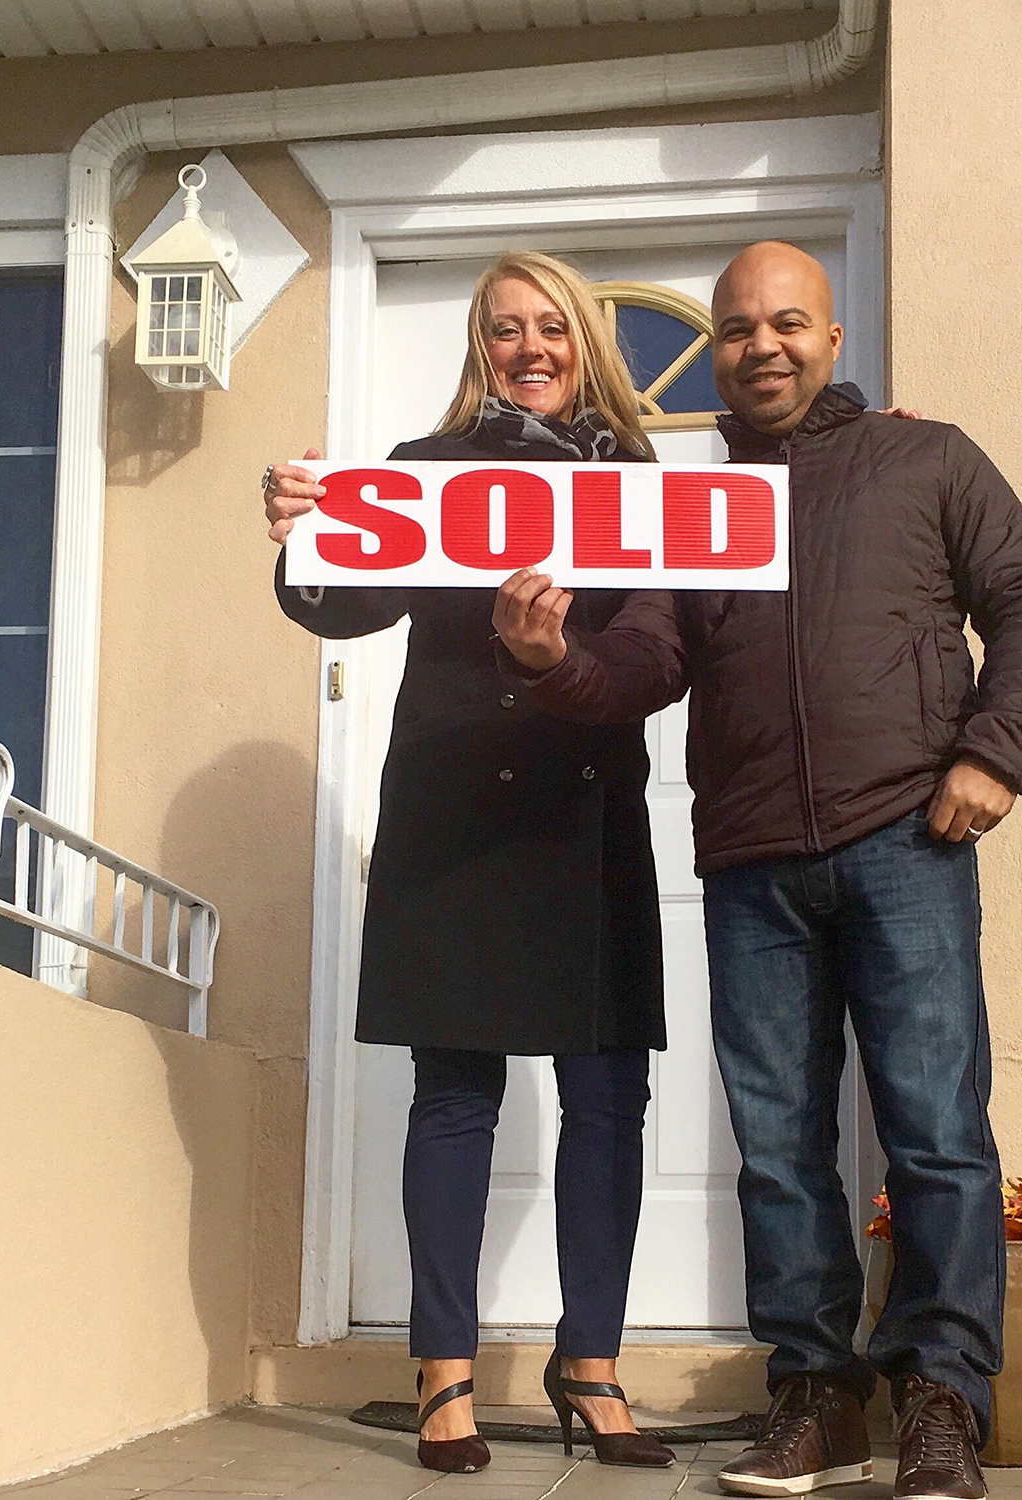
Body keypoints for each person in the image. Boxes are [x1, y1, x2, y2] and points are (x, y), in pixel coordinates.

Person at [494, 241, 1022, 1500]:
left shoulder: (929, 457)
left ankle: (941, 1399)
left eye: (788, 323)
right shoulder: (704, 509)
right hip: (754, 863)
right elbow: (644, 663)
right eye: (739, 329)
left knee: (933, 1134)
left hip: (908, 840)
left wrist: (998, 755)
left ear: (833, 337)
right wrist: (551, 666)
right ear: (716, 349)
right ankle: (816, 1393)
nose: (762, 346)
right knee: (780, 1150)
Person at [262, 252, 681, 1476]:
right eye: (507, 330)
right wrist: (300, 536)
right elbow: (338, 609)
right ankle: (443, 1372)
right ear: (478, 345)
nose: (531, 348)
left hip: (589, 811)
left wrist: (561, 664)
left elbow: (662, 647)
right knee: (454, 1097)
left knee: (609, 1098)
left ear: (585, 341)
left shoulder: (636, 479)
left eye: (553, 327)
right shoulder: (423, 471)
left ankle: (590, 1366)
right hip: (454, 815)